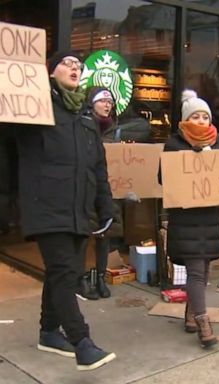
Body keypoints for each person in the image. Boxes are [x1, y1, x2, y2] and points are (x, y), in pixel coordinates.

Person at [14, 51, 116, 370]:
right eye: (67, 62)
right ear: (50, 70)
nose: (74, 67)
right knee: (63, 273)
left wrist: (106, 205)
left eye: (78, 65)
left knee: (65, 273)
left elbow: (97, 167)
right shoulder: (34, 110)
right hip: (46, 206)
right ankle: (81, 341)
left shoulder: (85, 117)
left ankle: (48, 331)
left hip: (78, 210)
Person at [160, 89, 219, 347]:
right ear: (187, 118)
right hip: (186, 219)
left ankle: (189, 313)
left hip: (210, 217)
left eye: (204, 117)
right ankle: (202, 321)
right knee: (196, 271)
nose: (201, 121)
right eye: (195, 116)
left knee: (205, 269)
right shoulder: (174, 144)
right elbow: (162, 179)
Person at [76, 86, 125, 300]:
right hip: (87, 190)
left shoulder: (116, 130)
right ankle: (83, 279)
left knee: (105, 235)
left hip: (108, 190)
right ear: (91, 103)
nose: (107, 106)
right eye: (103, 101)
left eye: (110, 103)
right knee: (85, 237)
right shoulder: (82, 126)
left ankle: (100, 278)